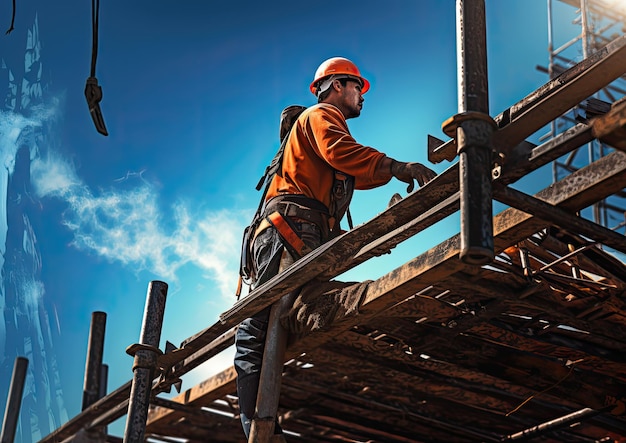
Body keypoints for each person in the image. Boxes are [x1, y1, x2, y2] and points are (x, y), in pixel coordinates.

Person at [234, 56, 437, 441]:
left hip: (295, 231)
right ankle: (260, 431)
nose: (363, 95)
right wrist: (397, 166)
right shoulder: (320, 116)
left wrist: (387, 172)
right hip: (287, 231)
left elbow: (352, 170)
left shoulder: (317, 129)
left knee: (272, 325)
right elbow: (342, 153)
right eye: (358, 86)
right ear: (337, 85)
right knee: (258, 331)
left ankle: (263, 428)